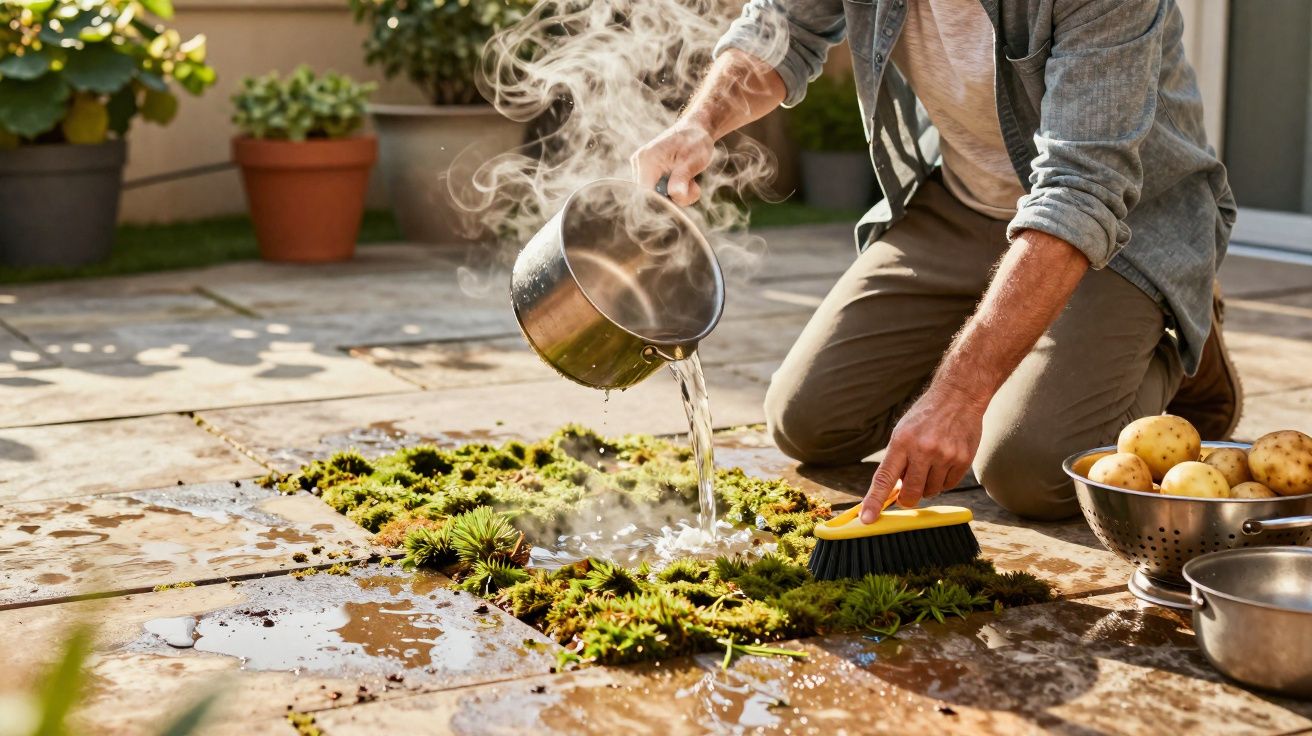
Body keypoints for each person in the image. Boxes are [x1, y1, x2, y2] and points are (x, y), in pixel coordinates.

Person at [631, 0, 1239, 522]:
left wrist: (959, 397)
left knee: (1030, 470)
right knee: (809, 424)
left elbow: (1082, 191)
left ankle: (1182, 326)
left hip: (1121, 230)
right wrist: (699, 124)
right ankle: (1006, 333)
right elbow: (780, 25)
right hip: (964, 204)